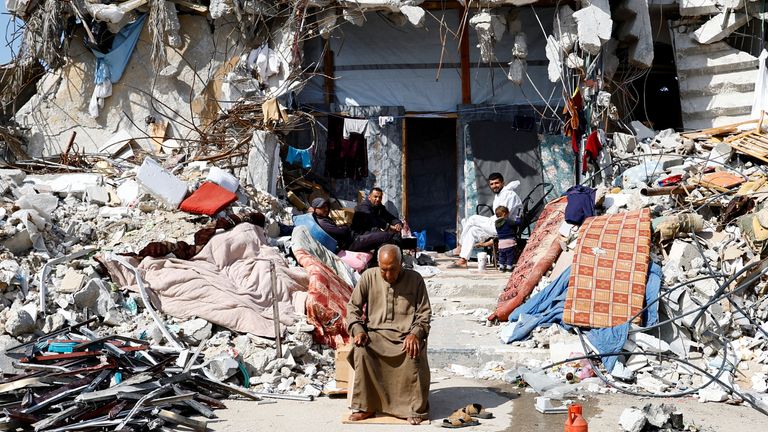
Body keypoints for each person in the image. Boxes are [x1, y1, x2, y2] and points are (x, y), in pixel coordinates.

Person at [346, 244, 431, 425]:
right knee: (362, 351)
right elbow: (352, 307)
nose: (388, 275)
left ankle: (413, 408)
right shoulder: (369, 277)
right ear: (378, 265)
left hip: (405, 336)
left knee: (413, 353)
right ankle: (365, 406)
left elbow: (424, 313)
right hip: (375, 335)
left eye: (392, 269)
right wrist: (358, 329)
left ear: (401, 264)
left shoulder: (415, 279)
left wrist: (415, 333)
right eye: (383, 270)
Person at [451, 172, 522, 268]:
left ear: (503, 183)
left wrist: (489, 221)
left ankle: (460, 246)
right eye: (492, 184)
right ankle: (463, 259)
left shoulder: (510, 195)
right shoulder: (499, 195)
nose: (494, 186)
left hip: (504, 226)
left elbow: (503, 215)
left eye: (497, 183)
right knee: (472, 231)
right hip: (497, 224)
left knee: (472, 219)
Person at [348, 187, 402, 252]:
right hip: (358, 238)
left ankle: (397, 257)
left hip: (370, 234)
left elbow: (390, 217)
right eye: (375, 197)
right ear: (369, 197)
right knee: (387, 236)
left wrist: (397, 223)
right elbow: (373, 219)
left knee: (395, 235)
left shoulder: (379, 207)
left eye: (380, 197)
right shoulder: (363, 207)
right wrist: (388, 227)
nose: (378, 199)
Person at [494, 206, 516, 272]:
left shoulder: (496, 223)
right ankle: (509, 267)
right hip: (509, 241)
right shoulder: (507, 221)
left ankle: (501, 267)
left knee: (502, 256)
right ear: (504, 214)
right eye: (507, 214)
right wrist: (518, 219)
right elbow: (516, 224)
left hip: (501, 242)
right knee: (510, 255)